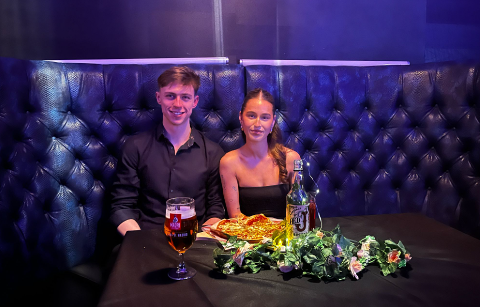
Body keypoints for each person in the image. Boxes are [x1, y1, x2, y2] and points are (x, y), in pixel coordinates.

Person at [110, 66, 225, 236]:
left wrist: (199, 239)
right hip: (144, 238)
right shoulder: (135, 146)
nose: (177, 104)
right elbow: (121, 206)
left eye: (185, 97)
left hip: (195, 240)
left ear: (195, 101)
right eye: (170, 96)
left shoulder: (214, 152)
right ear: (159, 98)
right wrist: (141, 241)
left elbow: (216, 209)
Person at [219, 88, 301, 219]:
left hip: (286, 236)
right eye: (251, 115)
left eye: (264, 117)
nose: (257, 124)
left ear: (273, 122)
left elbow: (298, 211)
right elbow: (235, 217)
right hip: (247, 236)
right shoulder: (228, 162)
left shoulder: (291, 158)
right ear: (241, 118)